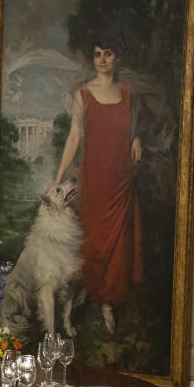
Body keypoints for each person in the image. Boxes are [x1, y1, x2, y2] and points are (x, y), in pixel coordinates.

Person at [47, 35, 143, 333]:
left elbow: (132, 127)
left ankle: (109, 303)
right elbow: (75, 135)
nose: (102, 59)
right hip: (96, 175)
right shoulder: (83, 94)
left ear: (117, 58)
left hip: (121, 177)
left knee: (118, 243)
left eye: (108, 53)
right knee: (93, 238)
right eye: (97, 53)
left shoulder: (128, 93)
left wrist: (137, 138)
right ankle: (91, 293)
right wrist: (59, 176)